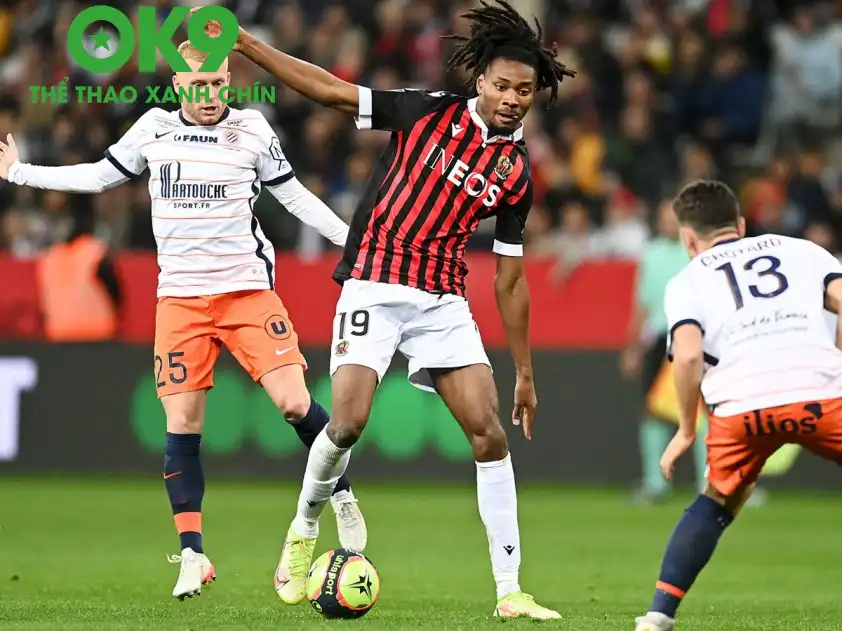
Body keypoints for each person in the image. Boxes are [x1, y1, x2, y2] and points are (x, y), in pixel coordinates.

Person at [224, 0, 575, 618]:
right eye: (502, 85)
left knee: (490, 435)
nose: (512, 99)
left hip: (442, 300)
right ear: (480, 80)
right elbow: (333, 93)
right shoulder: (427, 110)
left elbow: (511, 280)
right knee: (347, 423)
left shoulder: (517, 172)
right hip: (374, 283)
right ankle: (304, 528)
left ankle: (510, 591)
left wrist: (524, 371)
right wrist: (248, 45)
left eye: (524, 91)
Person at [0, 40, 367, 601]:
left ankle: (340, 493)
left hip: (246, 293)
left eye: (218, 83)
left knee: (296, 403)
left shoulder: (252, 130)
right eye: (198, 85)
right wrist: (20, 173)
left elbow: (296, 199)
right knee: (182, 426)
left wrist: (355, 244)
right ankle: (193, 555)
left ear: (228, 81)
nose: (210, 95)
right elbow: (99, 177)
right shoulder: (153, 129)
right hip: (180, 301)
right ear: (178, 86)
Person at [634, 180, 842, 631]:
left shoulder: (688, 280)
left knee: (717, 500)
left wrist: (686, 430)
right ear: (741, 224)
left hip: (742, 407)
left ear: (688, 239)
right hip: (822, 393)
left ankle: (658, 615)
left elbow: (688, 355)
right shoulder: (803, 251)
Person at [621, 200, 707, 502]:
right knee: (653, 410)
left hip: (693, 336)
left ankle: (709, 483)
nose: (669, 223)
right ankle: (654, 483)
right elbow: (642, 304)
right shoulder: (651, 253)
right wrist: (632, 347)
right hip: (659, 338)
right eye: (664, 218)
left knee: (703, 410)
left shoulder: (698, 251)